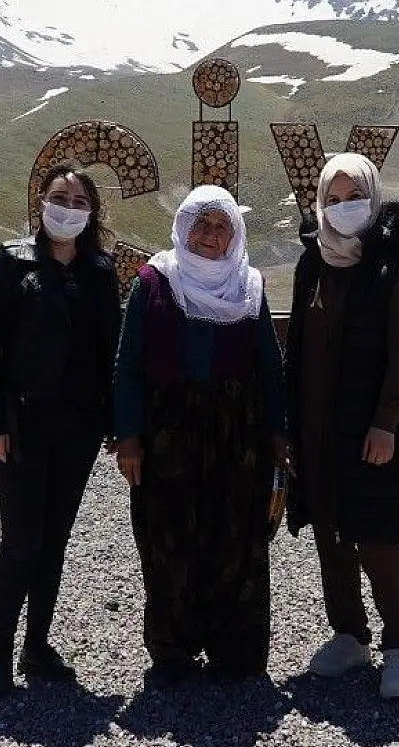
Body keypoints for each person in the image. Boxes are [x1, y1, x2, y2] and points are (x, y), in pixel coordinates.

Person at [112, 185, 290, 685]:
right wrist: (128, 436)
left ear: (234, 235)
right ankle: (173, 649)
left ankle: (237, 650)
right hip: (169, 432)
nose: (210, 235)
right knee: (168, 538)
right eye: (202, 223)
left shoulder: (249, 287)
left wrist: (278, 431)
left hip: (238, 433)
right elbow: (127, 366)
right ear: (183, 226)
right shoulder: (152, 283)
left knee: (237, 538)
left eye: (221, 226)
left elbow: (269, 369)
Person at [284, 152, 399, 699]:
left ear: (373, 197)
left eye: (355, 197)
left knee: (376, 537)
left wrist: (387, 421)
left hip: (372, 427)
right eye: (334, 199)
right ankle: (349, 634)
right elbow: (296, 344)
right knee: (329, 534)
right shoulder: (311, 262)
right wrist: (291, 427)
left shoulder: (395, 264)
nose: (344, 208)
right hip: (318, 425)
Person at [0, 163, 123, 697]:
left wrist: (114, 421)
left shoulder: (102, 271)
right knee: (21, 540)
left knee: (56, 539)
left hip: (80, 427)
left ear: (92, 212)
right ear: (41, 202)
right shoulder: (12, 263)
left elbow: (112, 350)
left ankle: (36, 647)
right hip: (22, 424)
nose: (68, 207)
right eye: (60, 197)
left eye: (80, 200)